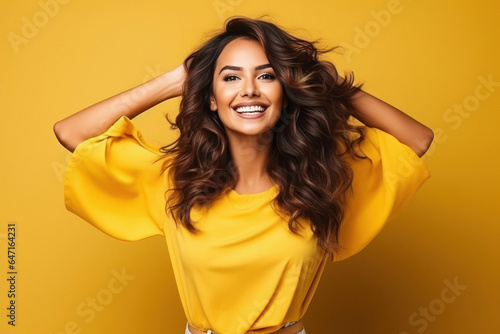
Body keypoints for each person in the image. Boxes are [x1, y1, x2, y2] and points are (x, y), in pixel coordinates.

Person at [54, 15, 433, 334]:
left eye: (267, 77)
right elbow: (72, 132)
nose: (249, 90)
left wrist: (327, 82)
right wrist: (173, 82)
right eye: (231, 78)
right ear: (211, 99)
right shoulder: (173, 180)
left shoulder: (321, 177)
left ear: (286, 91)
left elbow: (417, 138)